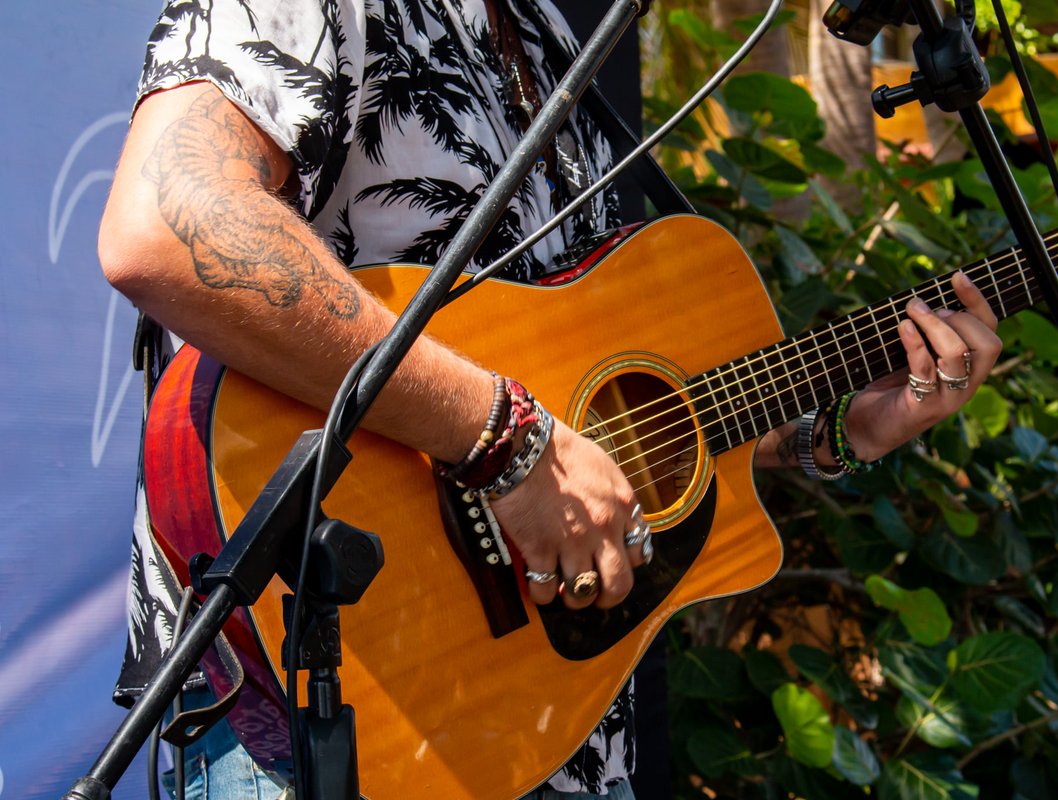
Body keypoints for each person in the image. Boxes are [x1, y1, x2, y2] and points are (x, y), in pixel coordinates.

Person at [97, 1, 1002, 798]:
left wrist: (830, 428)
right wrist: (505, 442)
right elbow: (166, 228)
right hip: (327, 712)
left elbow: (586, 405)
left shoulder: (544, 30)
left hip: (555, 731)